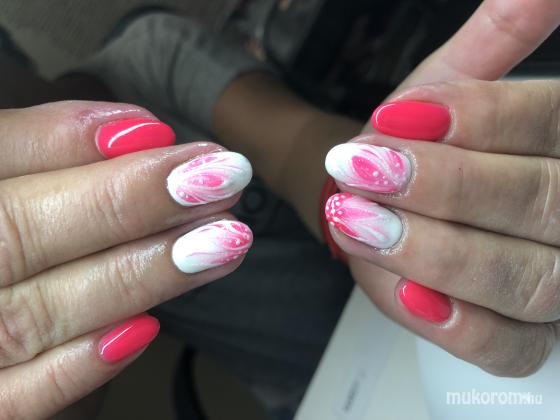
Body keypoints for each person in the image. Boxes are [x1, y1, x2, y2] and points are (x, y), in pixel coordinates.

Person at [1, 0, 560, 419]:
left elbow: (299, 149)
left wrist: (372, 204)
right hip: (319, 393)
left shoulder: (147, 59)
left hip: (409, 326)